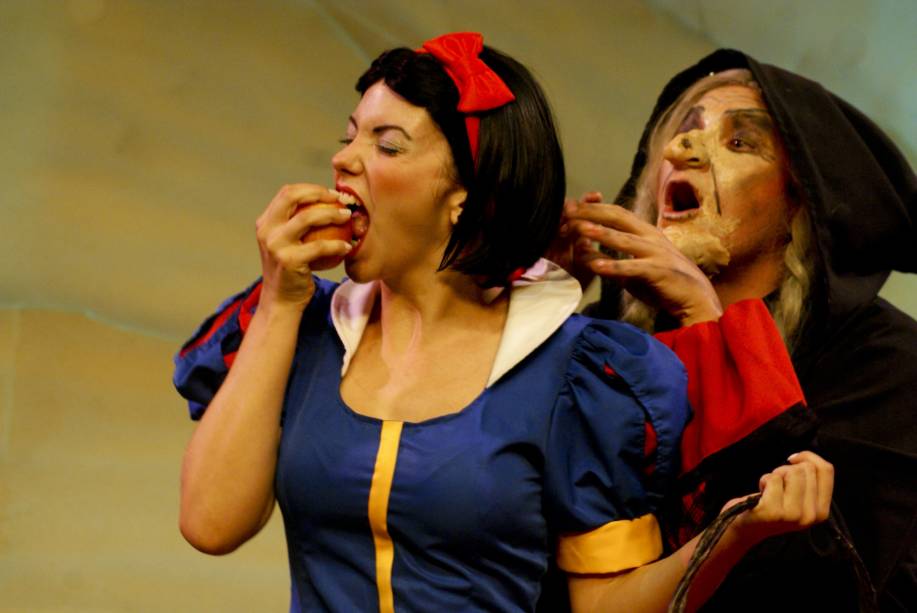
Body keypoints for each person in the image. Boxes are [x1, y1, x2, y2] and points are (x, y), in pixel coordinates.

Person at [174, 36, 832, 612]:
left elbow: (605, 604)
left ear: (464, 194)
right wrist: (280, 300)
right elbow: (211, 524)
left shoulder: (575, 373)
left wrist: (729, 536)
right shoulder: (304, 329)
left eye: (386, 144)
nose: (344, 160)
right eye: (350, 136)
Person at [564, 48, 916, 611]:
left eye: (739, 143)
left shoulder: (885, 366)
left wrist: (708, 326)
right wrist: (539, 299)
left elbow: (828, 585)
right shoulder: (607, 335)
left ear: (801, 199)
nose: (680, 151)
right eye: (682, 132)